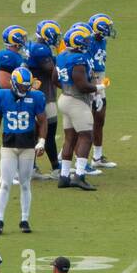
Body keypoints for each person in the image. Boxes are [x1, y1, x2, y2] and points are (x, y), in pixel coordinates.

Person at [0, 65, 47, 234]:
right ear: (14, 84)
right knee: (5, 183)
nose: (24, 89)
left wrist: (41, 141)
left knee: (25, 183)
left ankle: (24, 220)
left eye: (26, 87)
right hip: (8, 146)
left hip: (28, 146)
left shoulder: (36, 97)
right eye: (21, 86)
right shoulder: (1, 96)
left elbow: (42, 121)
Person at [55, 23, 98, 191]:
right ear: (79, 42)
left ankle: (64, 176)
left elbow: (54, 78)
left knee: (70, 138)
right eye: (85, 40)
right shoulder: (78, 59)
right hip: (77, 101)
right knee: (87, 136)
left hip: (65, 98)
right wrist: (98, 88)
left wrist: (67, 88)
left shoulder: (62, 55)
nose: (88, 42)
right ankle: (79, 175)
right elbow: (82, 85)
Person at [87, 14, 117, 173]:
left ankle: (97, 157)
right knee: (84, 123)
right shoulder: (89, 43)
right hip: (92, 82)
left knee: (100, 119)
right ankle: (64, 157)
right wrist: (96, 90)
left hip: (100, 80)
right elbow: (88, 67)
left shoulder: (102, 40)